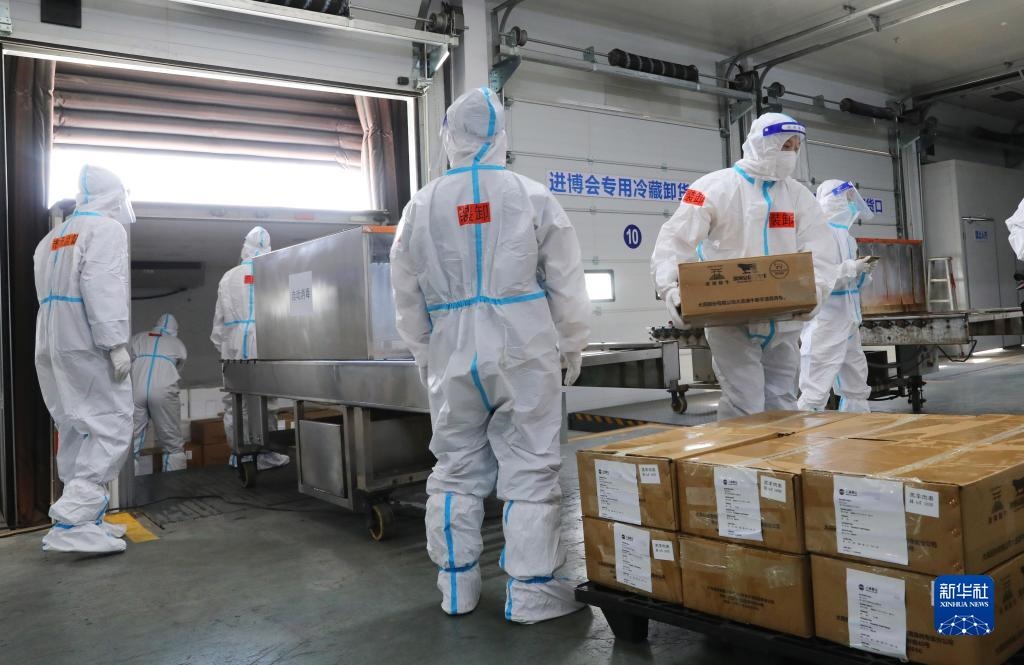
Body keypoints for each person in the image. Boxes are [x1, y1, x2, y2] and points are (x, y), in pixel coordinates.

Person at [391, 87, 590, 623]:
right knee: (531, 466)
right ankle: (532, 592)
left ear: (448, 135)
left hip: (450, 346)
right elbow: (567, 282)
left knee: (455, 467)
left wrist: (424, 351)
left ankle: (456, 586)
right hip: (522, 344)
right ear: (501, 134)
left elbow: (405, 294)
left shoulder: (420, 205)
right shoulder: (532, 196)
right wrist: (571, 341)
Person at [651, 112, 836, 419]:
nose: (790, 154)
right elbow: (675, 241)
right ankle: (740, 453)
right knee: (744, 401)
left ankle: (781, 451)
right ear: (762, 144)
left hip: (785, 321)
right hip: (729, 320)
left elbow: (821, 249)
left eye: (795, 147)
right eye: (784, 145)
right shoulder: (712, 188)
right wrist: (673, 291)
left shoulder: (798, 196)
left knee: (783, 400)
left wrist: (817, 290)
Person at [34, 165, 134, 553]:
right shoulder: (106, 229)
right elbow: (102, 285)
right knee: (111, 424)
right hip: (87, 340)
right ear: (114, 196)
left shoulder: (52, 238)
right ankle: (74, 520)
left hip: (52, 339)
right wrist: (115, 343)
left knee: (75, 424)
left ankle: (86, 517)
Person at [210, 226, 288, 470]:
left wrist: (226, 347)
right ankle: (266, 455)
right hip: (264, 343)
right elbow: (284, 316)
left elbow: (218, 325)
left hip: (232, 345)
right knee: (266, 403)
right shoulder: (274, 274)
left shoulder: (228, 277)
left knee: (234, 402)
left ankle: (239, 455)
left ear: (245, 247)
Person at [797, 180, 877, 412]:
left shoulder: (848, 237)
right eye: (847, 199)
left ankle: (858, 426)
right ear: (834, 200)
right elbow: (815, 277)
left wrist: (863, 272)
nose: (851, 204)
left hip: (849, 319)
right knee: (816, 385)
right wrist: (852, 267)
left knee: (856, 380)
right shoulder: (818, 235)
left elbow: (851, 283)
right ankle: (806, 429)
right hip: (827, 321)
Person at [130, 313, 188, 471]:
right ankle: (174, 482)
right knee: (172, 443)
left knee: (131, 442)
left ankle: (128, 484)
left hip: (136, 389)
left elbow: (125, 363)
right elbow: (179, 367)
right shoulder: (177, 344)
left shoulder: (137, 338)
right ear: (174, 330)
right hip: (164, 390)